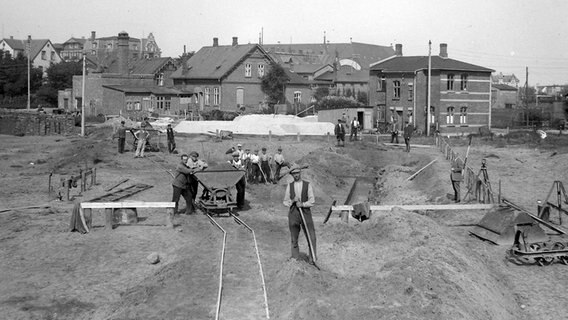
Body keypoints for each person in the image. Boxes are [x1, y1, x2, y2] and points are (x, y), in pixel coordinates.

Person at [283, 164, 317, 264]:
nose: (296, 175)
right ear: (292, 175)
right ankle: (295, 259)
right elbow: (285, 201)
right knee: (294, 238)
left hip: (305, 213)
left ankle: (312, 259)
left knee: (312, 237)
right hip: (293, 214)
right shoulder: (290, 186)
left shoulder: (307, 185)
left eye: (297, 173)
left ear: (300, 173)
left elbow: (312, 201)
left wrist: (302, 204)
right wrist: (293, 201)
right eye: (294, 174)